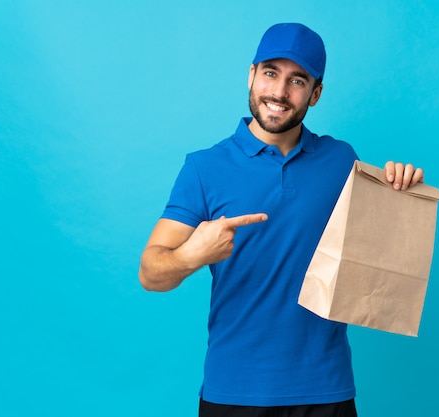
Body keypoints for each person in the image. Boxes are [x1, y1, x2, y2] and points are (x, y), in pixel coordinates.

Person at [139, 22, 424, 417]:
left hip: (326, 390)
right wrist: (192, 254)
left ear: (316, 94)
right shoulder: (205, 168)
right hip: (233, 392)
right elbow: (150, 272)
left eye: (297, 80)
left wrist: (401, 189)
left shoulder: (342, 161)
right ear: (251, 75)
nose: (279, 92)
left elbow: (379, 258)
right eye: (271, 73)